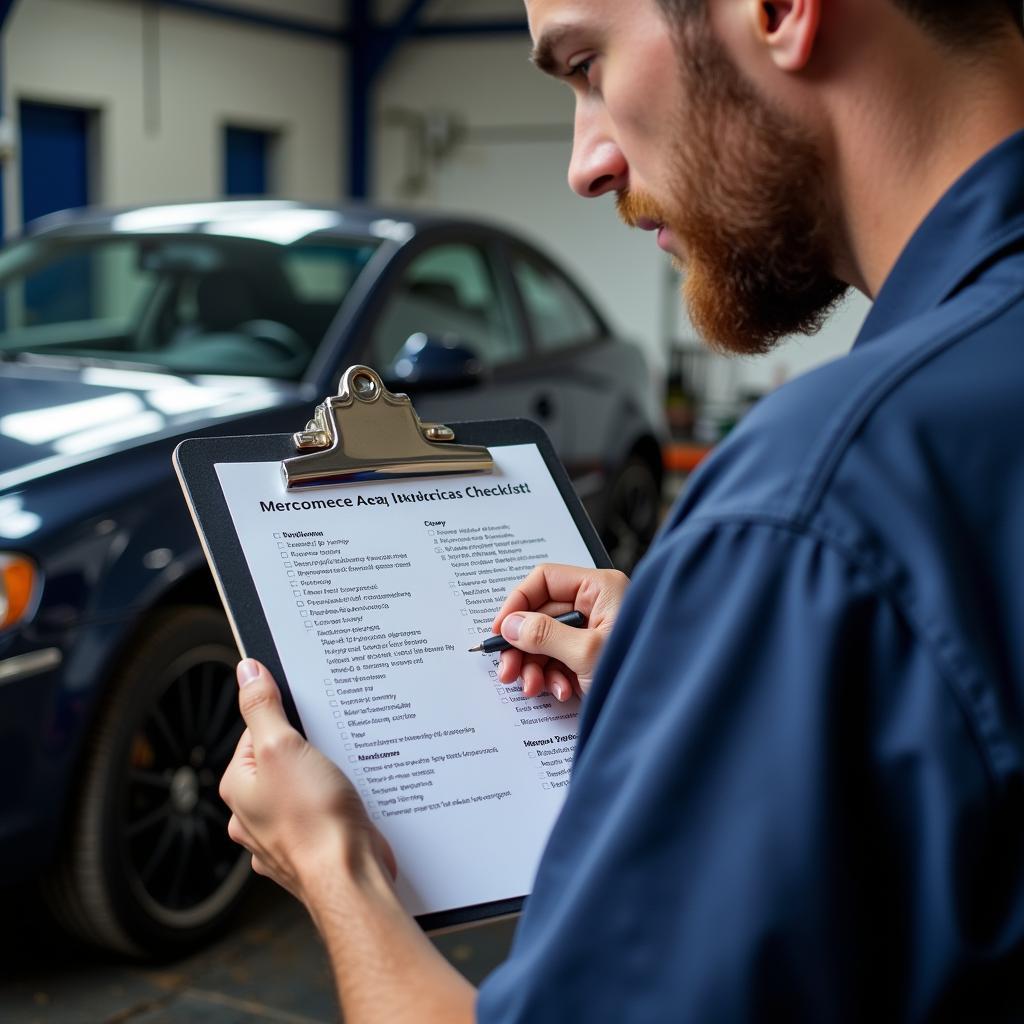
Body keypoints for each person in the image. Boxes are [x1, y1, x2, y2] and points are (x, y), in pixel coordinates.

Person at [219, 0, 1024, 1019]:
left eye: (589, 66)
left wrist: (336, 866)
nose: (586, 164)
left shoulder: (821, 505)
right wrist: (737, 665)